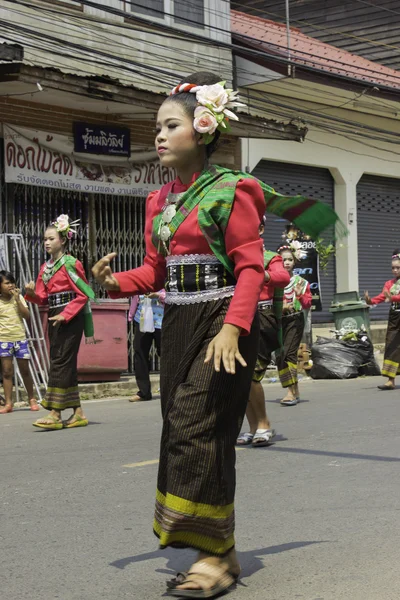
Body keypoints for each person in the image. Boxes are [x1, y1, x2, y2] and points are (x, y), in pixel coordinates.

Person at [92, 72, 341, 598]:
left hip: (224, 318)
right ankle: (219, 550)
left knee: (195, 427)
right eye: (156, 126)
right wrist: (115, 281)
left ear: (202, 130)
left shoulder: (233, 190)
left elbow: (251, 269)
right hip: (179, 321)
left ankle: (214, 554)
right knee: (185, 431)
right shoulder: (157, 201)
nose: (158, 135)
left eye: (170, 125)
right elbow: (156, 274)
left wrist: (233, 329)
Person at [25, 215, 95, 430]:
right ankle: (78, 413)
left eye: (51, 238)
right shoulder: (45, 268)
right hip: (55, 314)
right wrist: (30, 294)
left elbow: (85, 293)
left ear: (62, 240)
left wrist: (67, 314)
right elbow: (42, 298)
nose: (46, 242)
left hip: (70, 316)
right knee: (62, 360)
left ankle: (55, 413)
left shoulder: (72, 263)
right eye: (44, 239)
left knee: (59, 362)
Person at [236, 221, 289, 447]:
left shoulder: (269, 257)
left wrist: (263, 275)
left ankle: (264, 424)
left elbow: (283, 277)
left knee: (252, 374)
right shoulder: (235, 256)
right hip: (239, 319)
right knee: (241, 378)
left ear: (260, 229)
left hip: (262, 318)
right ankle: (252, 426)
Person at [277, 242, 312, 405]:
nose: (287, 263)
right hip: (279, 321)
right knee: (280, 355)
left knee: (289, 353)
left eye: (290, 259)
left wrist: (300, 296)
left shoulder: (302, 283)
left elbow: (307, 304)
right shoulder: (275, 283)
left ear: (295, 261)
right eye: (284, 260)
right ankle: (295, 388)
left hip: (295, 320)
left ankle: (290, 392)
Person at [0, 270, 39, 414]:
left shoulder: (19, 298)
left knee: (25, 370)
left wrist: (17, 299)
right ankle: (9, 403)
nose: (10, 285)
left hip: (20, 339)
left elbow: (27, 316)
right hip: (4, 340)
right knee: (7, 372)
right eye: (6, 283)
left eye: (12, 282)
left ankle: (32, 399)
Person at [364, 249, 400, 390]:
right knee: (391, 345)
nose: (395, 270)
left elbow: (391, 297)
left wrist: (393, 298)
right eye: (393, 268)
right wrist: (370, 301)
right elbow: (382, 297)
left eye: (398, 268)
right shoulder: (389, 284)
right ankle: (390, 380)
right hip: (394, 316)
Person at [129, 291, 165, 402]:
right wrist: (131, 314)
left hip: (162, 321)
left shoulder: (165, 276)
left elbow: (173, 296)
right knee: (140, 354)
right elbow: (135, 297)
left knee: (166, 355)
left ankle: (169, 390)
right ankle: (144, 392)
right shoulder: (142, 280)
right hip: (142, 319)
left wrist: (158, 295)